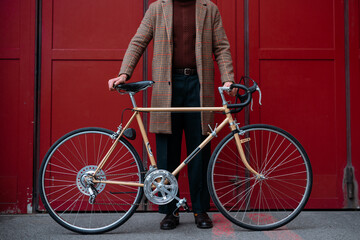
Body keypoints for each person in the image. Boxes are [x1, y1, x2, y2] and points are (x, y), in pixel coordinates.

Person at [108, 0, 235, 230]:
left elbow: (221, 46)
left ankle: (200, 209)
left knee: (200, 148)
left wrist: (228, 77)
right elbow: (138, 41)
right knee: (167, 150)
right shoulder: (158, 8)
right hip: (167, 85)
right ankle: (169, 211)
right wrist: (124, 73)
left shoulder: (209, 8)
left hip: (199, 85)